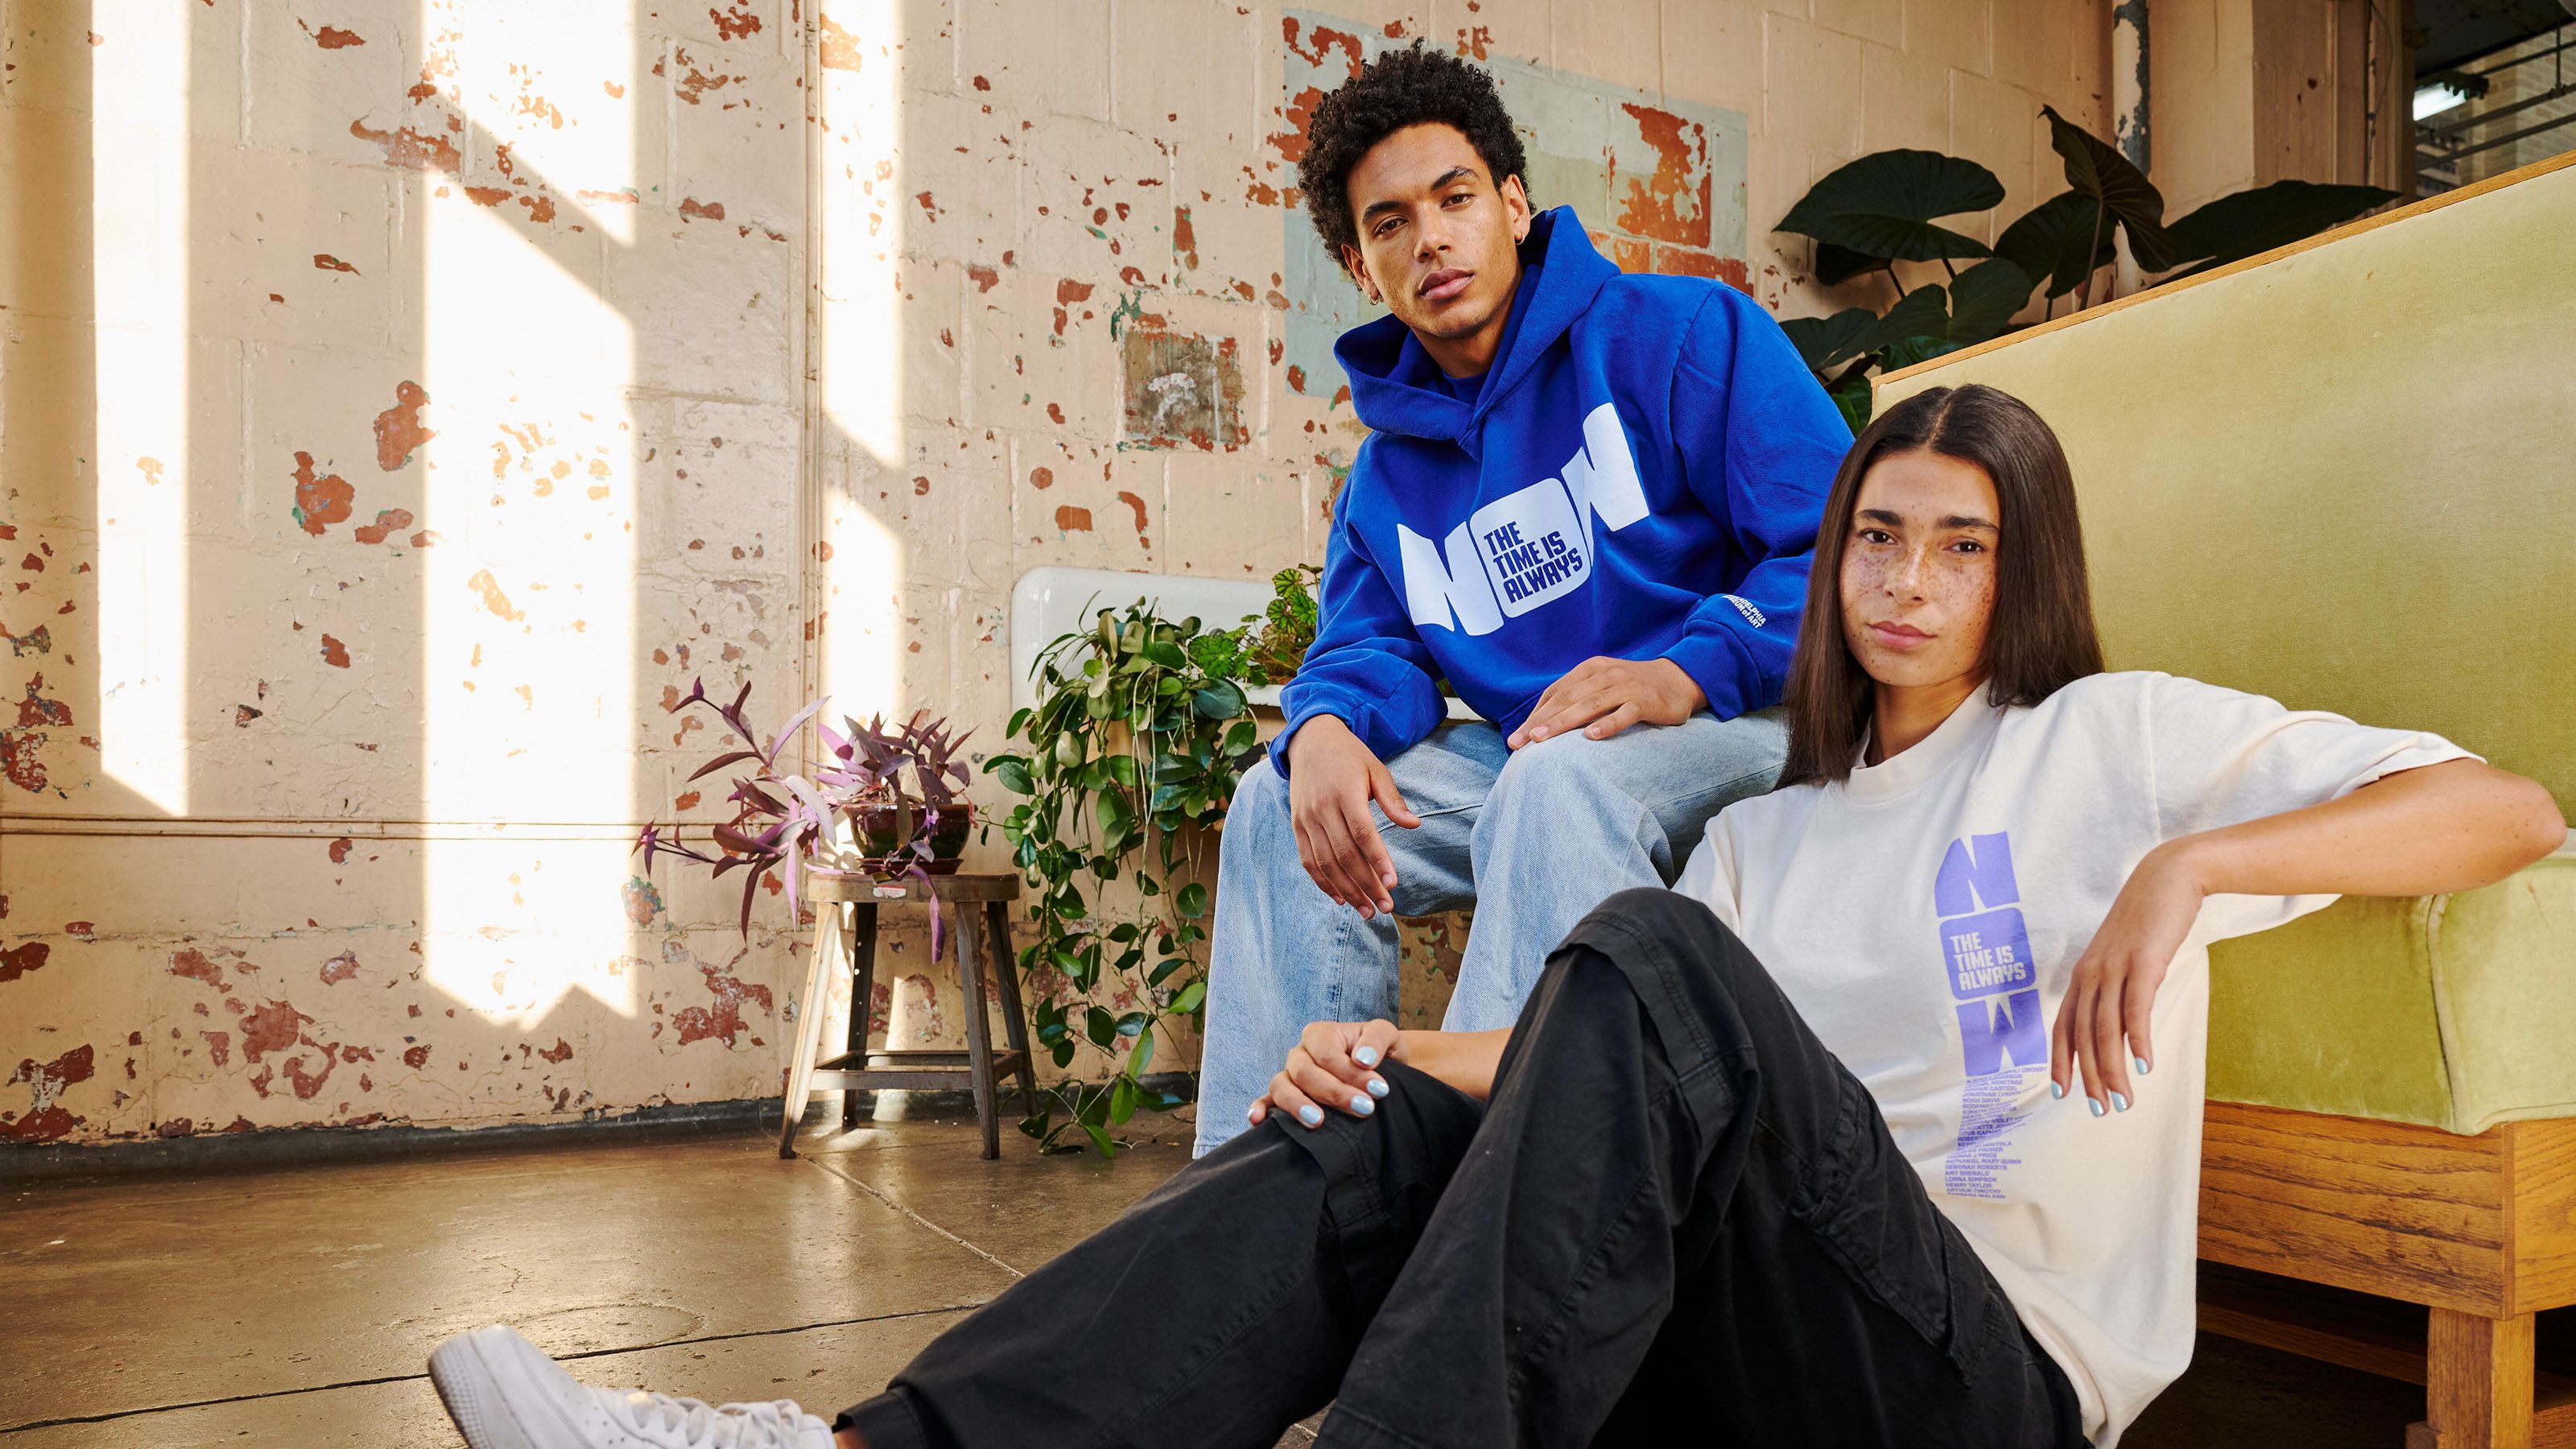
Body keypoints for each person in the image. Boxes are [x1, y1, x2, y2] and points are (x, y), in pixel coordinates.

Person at [423, 383, 2565, 1448]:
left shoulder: (2111, 742)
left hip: (1984, 1383)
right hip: (1767, 1351)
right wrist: (1380, 1069)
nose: (1908, 583)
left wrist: (2198, 864)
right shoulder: (1774, 837)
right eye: (1877, 541)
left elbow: (2509, 806)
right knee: (1397, 1106)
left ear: (2024, 574)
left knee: (1632, 956)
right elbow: (1596, 1073)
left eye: (1962, 546)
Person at [1195, 43, 1851, 1157]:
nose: (1431, 238)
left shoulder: (1686, 334)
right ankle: (1284, 1199)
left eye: (1454, 199)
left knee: (1555, 785)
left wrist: (1686, 667)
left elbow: (1838, 554)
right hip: (1548, 753)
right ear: (1363, 268)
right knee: (1280, 808)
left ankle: (1494, 1195)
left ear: (1512, 202)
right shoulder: (1388, 476)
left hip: (1747, 722)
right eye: (1389, 223)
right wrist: (1321, 730)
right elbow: (1369, 650)